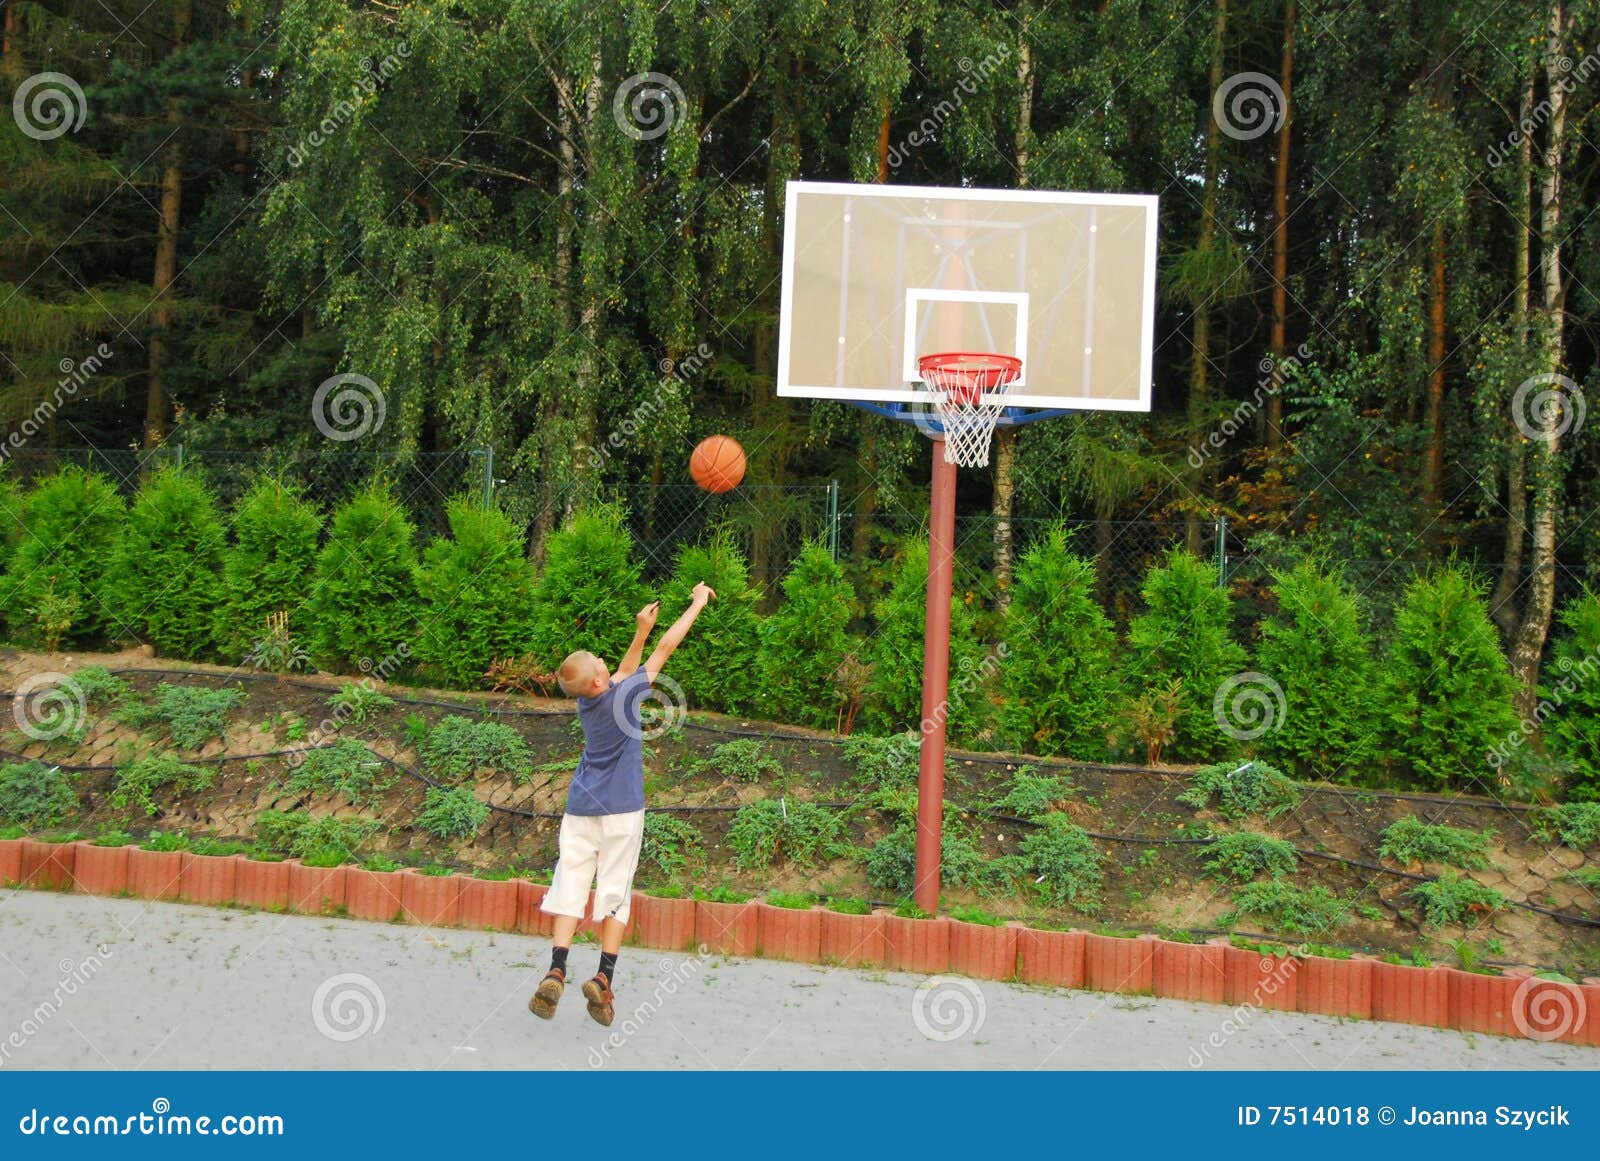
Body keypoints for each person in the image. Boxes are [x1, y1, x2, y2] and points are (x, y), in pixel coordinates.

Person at [528, 583, 716, 1026]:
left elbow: (623, 672)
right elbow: (667, 649)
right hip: (622, 810)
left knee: (570, 884)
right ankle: (604, 977)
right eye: (598, 662)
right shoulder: (626, 693)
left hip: (580, 808)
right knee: (614, 890)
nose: (603, 661)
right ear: (598, 678)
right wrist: (697, 604)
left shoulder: (587, 703)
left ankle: (556, 967)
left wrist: (640, 630)